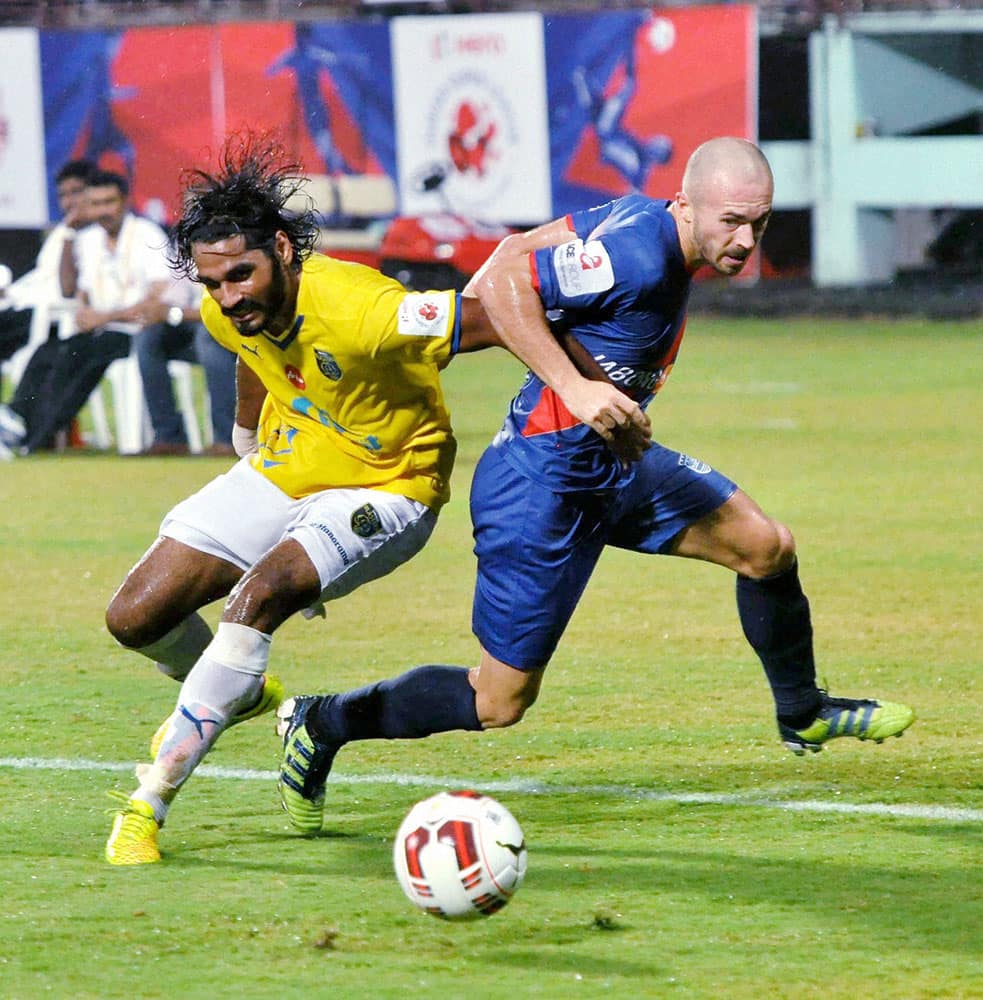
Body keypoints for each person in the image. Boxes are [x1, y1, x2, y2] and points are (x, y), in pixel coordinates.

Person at [275, 136, 916, 836]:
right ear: (686, 204)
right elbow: (501, 287)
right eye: (731, 220)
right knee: (498, 701)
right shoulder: (637, 256)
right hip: (538, 488)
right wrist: (575, 386)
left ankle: (801, 712)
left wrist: (591, 397)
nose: (745, 239)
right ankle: (321, 721)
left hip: (614, 465)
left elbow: (516, 247)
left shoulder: (643, 220)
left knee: (764, 548)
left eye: (758, 223)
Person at [102, 134, 641, 865]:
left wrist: (585, 389)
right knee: (134, 616)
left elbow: (494, 315)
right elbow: (252, 353)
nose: (228, 296)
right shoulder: (227, 304)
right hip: (288, 467)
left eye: (241, 275)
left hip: (387, 488)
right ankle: (245, 693)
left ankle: (149, 803)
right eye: (213, 283)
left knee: (256, 599)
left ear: (285, 250)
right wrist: (241, 445)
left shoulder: (368, 310)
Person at [2, 169, 172, 455]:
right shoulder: (90, 239)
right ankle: (16, 420)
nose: (103, 211)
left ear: (125, 201)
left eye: (109, 202)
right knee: (49, 350)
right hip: (99, 328)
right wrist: (69, 234)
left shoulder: (147, 235)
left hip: (135, 330)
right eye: (96, 204)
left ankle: (33, 440)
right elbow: (73, 291)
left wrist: (103, 317)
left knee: (81, 357)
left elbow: (159, 296)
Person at [0, 159, 95, 456]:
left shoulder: (93, 236)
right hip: (26, 308)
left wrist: (69, 232)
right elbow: (39, 277)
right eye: (64, 195)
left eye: (76, 193)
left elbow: (68, 290)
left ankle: (10, 421)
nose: (70, 202)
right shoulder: (59, 233)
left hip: (54, 317)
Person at [134, 276, 237, 456]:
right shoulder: (185, 253)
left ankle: (227, 438)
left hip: (229, 331)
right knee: (149, 338)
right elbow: (174, 297)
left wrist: (174, 313)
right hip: (190, 328)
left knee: (207, 337)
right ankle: (168, 436)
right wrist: (158, 309)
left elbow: (225, 311)